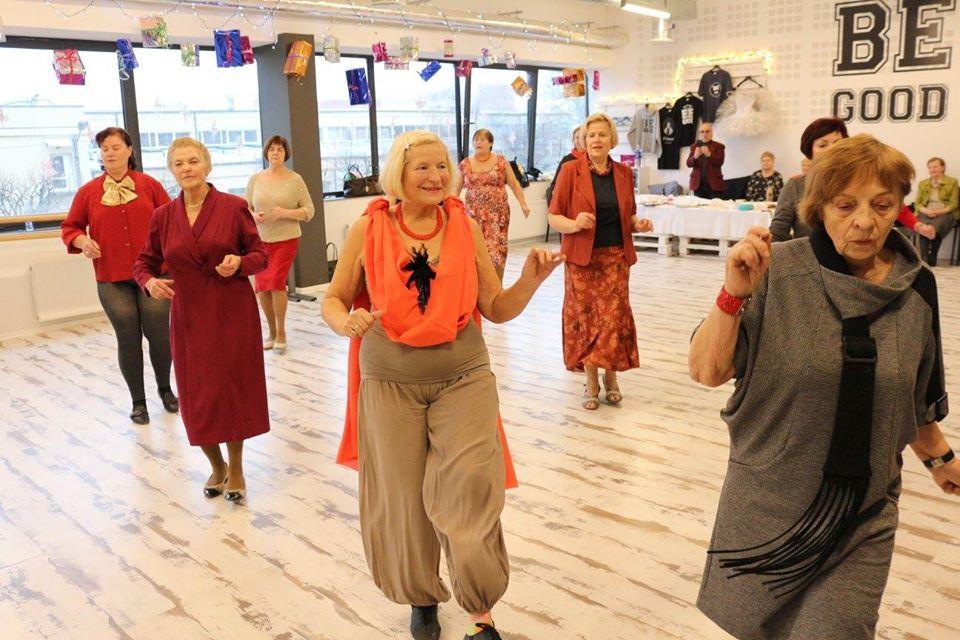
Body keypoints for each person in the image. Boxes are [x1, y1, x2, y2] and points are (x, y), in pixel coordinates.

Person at [689, 134, 960, 640]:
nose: (865, 222)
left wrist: (941, 460)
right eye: (845, 205)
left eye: (882, 206)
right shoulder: (778, 270)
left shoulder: (917, 287)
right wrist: (732, 294)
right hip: (770, 504)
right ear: (819, 208)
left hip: (863, 514)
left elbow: (914, 398)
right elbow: (707, 371)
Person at [321, 131, 562, 640]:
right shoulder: (367, 229)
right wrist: (345, 321)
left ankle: (480, 609)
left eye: (441, 167)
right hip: (389, 379)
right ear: (399, 174)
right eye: (422, 168)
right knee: (404, 499)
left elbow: (495, 308)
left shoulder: (464, 226)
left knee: (469, 486)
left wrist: (529, 282)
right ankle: (422, 596)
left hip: (463, 373)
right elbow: (335, 298)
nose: (435, 177)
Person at [133, 138, 270, 502]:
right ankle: (216, 465)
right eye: (178, 163)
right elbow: (143, 262)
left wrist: (239, 263)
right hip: (189, 317)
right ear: (171, 171)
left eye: (193, 161)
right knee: (197, 394)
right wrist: (149, 282)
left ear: (207, 165)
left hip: (232, 312)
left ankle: (236, 467)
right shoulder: (163, 217)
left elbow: (260, 255)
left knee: (232, 389)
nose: (187, 168)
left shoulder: (232, 207)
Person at [61, 127, 176, 425]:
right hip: (112, 277)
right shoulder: (88, 192)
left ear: (129, 151)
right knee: (127, 337)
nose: (109, 152)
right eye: (104, 148)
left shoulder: (149, 185)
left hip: (153, 275)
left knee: (159, 334)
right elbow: (71, 227)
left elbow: (172, 222)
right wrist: (83, 241)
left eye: (115, 147)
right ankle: (138, 402)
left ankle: (165, 389)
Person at [548, 112, 653, 410]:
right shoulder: (570, 171)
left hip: (615, 258)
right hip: (582, 261)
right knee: (587, 321)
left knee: (612, 320)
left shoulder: (623, 173)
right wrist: (574, 224)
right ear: (584, 140)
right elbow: (553, 216)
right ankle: (591, 381)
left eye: (602, 134)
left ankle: (612, 377)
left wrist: (638, 224)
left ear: (611, 140)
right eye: (591, 135)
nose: (596, 139)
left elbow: (628, 216)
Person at [245, 135, 315, 352]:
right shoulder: (255, 179)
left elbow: (309, 210)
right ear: (266, 153)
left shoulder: (295, 180)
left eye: (280, 149)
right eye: (272, 149)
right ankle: (272, 331)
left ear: (286, 154)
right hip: (260, 240)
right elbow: (245, 207)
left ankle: (282, 332)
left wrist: (286, 212)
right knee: (262, 288)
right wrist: (253, 216)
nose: (275, 153)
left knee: (275, 282)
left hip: (286, 239)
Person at [455, 129, 531, 280]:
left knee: (497, 251)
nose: (478, 143)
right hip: (474, 216)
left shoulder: (501, 162)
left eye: (483, 140)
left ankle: (496, 284)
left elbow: (514, 184)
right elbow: (455, 189)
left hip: (497, 216)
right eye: (476, 140)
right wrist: (448, 208)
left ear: (490, 143)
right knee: (475, 250)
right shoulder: (465, 164)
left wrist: (523, 203)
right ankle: (477, 284)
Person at [770, 117, 848, 242]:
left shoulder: (855, 182)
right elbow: (778, 230)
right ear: (810, 153)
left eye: (838, 143)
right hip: (807, 253)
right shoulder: (796, 185)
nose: (831, 150)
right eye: (822, 145)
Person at [914, 157, 959, 266]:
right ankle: (924, 259)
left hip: (945, 213)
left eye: (935, 167)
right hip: (926, 212)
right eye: (930, 167)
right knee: (922, 226)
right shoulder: (923, 183)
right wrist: (926, 211)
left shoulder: (952, 182)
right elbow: (917, 203)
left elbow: (954, 204)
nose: (932, 170)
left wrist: (938, 212)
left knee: (937, 225)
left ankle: (933, 255)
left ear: (942, 168)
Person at [545, 126, 585, 206]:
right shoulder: (566, 159)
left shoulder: (593, 159)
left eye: (582, 137)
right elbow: (555, 182)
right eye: (577, 137)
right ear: (573, 141)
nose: (579, 140)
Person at [685, 122, 725, 199]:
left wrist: (709, 154)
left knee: (714, 206)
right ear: (699, 134)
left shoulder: (719, 146)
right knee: (699, 206)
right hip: (698, 185)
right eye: (702, 132)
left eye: (707, 131)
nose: (704, 134)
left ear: (712, 133)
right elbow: (688, 164)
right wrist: (695, 157)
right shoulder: (694, 146)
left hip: (714, 185)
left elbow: (720, 162)